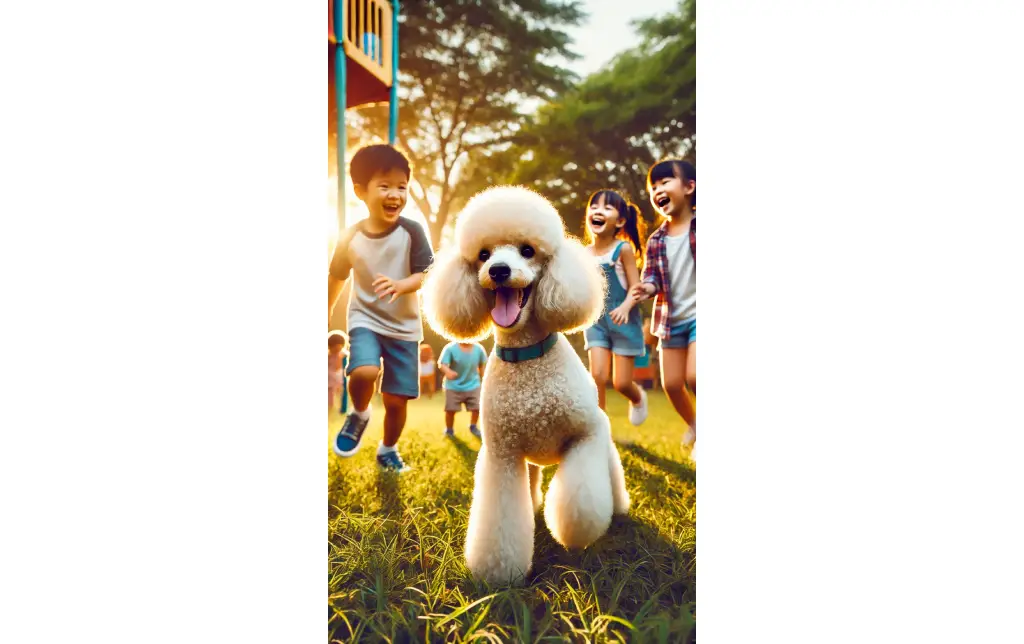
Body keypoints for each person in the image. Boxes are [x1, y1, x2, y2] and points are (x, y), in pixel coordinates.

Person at [327, 144, 434, 472]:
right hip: (365, 318)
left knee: (396, 400)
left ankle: (388, 449)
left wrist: (403, 285)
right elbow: (336, 277)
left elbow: (427, 273)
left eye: (402, 187)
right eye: (384, 186)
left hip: (404, 326)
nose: (395, 195)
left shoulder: (412, 230)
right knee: (364, 372)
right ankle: (359, 413)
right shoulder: (350, 238)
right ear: (360, 191)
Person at [629, 159, 697, 457]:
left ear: (690, 187)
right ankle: (695, 424)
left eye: (665, 182)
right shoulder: (656, 239)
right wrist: (647, 287)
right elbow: (654, 277)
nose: (658, 190)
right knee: (671, 384)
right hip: (670, 320)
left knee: (695, 376)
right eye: (653, 187)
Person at [581, 188, 649, 425]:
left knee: (621, 383)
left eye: (607, 207)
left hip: (624, 321)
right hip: (596, 322)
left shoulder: (623, 250)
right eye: (594, 206)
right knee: (597, 375)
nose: (598, 211)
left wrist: (626, 307)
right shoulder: (583, 253)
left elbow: (637, 287)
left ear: (620, 221)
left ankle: (639, 397)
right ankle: (599, 429)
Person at [437, 341, 487, 439]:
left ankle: (473, 426)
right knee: (450, 410)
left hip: (473, 384)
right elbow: (442, 364)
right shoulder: (450, 348)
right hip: (453, 386)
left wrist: (484, 379)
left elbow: (482, 365)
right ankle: (449, 429)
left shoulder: (479, 349)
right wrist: (448, 371)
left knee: (477, 407)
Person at [328, 330, 349, 412]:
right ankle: (330, 406)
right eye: (334, 348)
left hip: (340, 375)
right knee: (329, 392)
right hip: (330, 375)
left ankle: (343, 409)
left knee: (343, 392)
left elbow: (346, 363)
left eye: (338, 348)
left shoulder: (343, 354)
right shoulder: (328, 355)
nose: (336, 350)